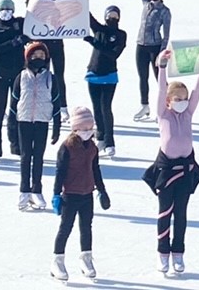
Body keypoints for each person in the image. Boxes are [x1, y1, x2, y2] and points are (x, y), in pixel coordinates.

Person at [143, 48, 199, 274]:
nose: (183, 102)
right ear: (169, 101)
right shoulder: (163, 114)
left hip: (186, 169)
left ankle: (178, 253)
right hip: (166, 170)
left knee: (181, 214)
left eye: (184, 98)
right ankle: (162, 252)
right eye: (178, 99)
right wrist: (162, 67)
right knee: (165, 213)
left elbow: (198, 92)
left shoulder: (188, 113)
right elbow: (161, 89)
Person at [50, 106, 111, 282]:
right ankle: (57, 260)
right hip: (70, 194)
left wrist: (102, 190)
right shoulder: (67, 147)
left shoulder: (92, 147)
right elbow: (60, 171)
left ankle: (86, 258)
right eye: (83, 129)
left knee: (86, 227)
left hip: (87, 194)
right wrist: (56, 194)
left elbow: (96, 169)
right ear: (75, 129)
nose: (87, 132)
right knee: (65, 228)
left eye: (90, 128)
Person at [8, 42, 61, 211]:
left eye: (41, 56)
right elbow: (13, 102)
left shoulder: (50, 78)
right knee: (25, 156)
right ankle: (24, 191)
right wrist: (11, 128)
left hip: (41, 121)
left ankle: (36, 190)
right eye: (35, 55)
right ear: (28, 57)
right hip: (24, 121)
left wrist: (57, 126)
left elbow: (56, 102)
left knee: (38, 156)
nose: (38, 58)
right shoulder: (22, 77)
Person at [83, 5, 127, 157]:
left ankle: (110, 141)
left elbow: (113, 54)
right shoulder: (99, 30)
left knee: (105, 107)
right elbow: (87, 16)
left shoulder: (121, 35)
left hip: (109, 75)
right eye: (110, 16)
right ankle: (100, 136)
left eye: (115, 16)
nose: (112, 18)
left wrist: (95, 43)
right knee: (96, 107)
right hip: (93, 73)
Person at [0, 0, 29, 158]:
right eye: (2, 10)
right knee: (0, 108)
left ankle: (15, 142)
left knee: (16, 108)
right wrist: (14, 42)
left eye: (9, 9)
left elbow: (36, 20)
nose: (6, 13)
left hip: (17, 72)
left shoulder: (18, 23)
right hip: (0, 72)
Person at [132, 0, 171, 121]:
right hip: (141, 45)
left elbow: (167, 33)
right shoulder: (145, 4)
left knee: (160, 79)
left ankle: (166, 105)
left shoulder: (165, 11)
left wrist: (162, 51)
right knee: (143, 77)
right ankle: (144, 105)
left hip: (155, 48)